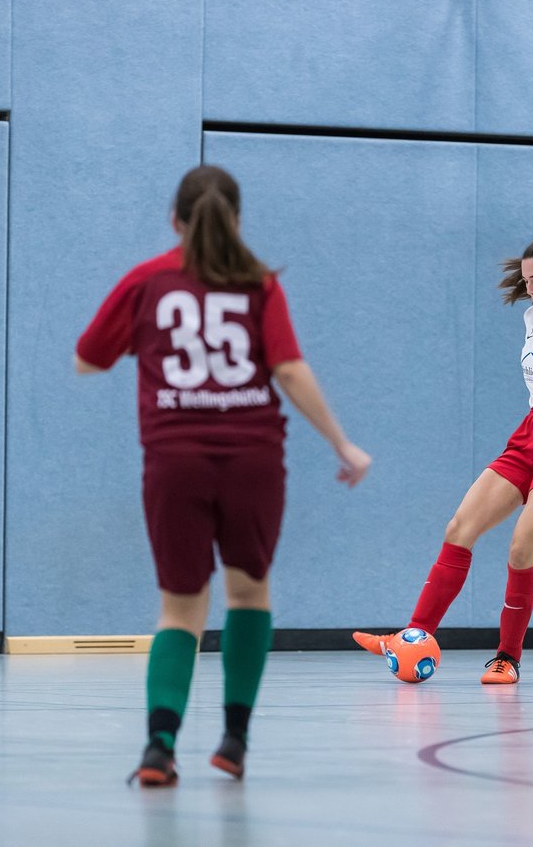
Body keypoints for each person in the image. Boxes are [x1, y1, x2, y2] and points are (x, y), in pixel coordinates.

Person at [75, 165, 371, 784]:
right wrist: (342, 443)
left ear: (174, 222)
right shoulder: (259, 285)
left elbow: (87, 359)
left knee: (180, 610)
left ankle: (159, 747)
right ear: (236, 220)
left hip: (174, 461)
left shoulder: (147, 282)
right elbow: (288, 370)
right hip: (252, 461)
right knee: (248, 593)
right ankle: (233, 740)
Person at [353, 229, 533, 684]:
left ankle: (507, 658)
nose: (530, 290)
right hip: (531, 429)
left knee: (521, 549)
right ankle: (413, 635)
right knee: (460, 528)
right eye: (526, 280)